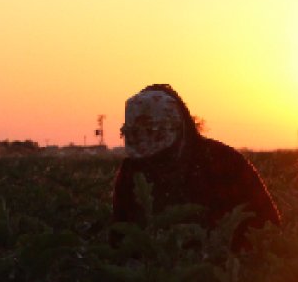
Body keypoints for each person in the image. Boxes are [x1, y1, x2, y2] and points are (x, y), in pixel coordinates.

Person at [111, 84, 280, 250]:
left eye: (163, 153)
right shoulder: (132, 170)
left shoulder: (223, 162)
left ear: (178, 131)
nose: (155, 162)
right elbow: (120, 234)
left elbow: (267, 225)